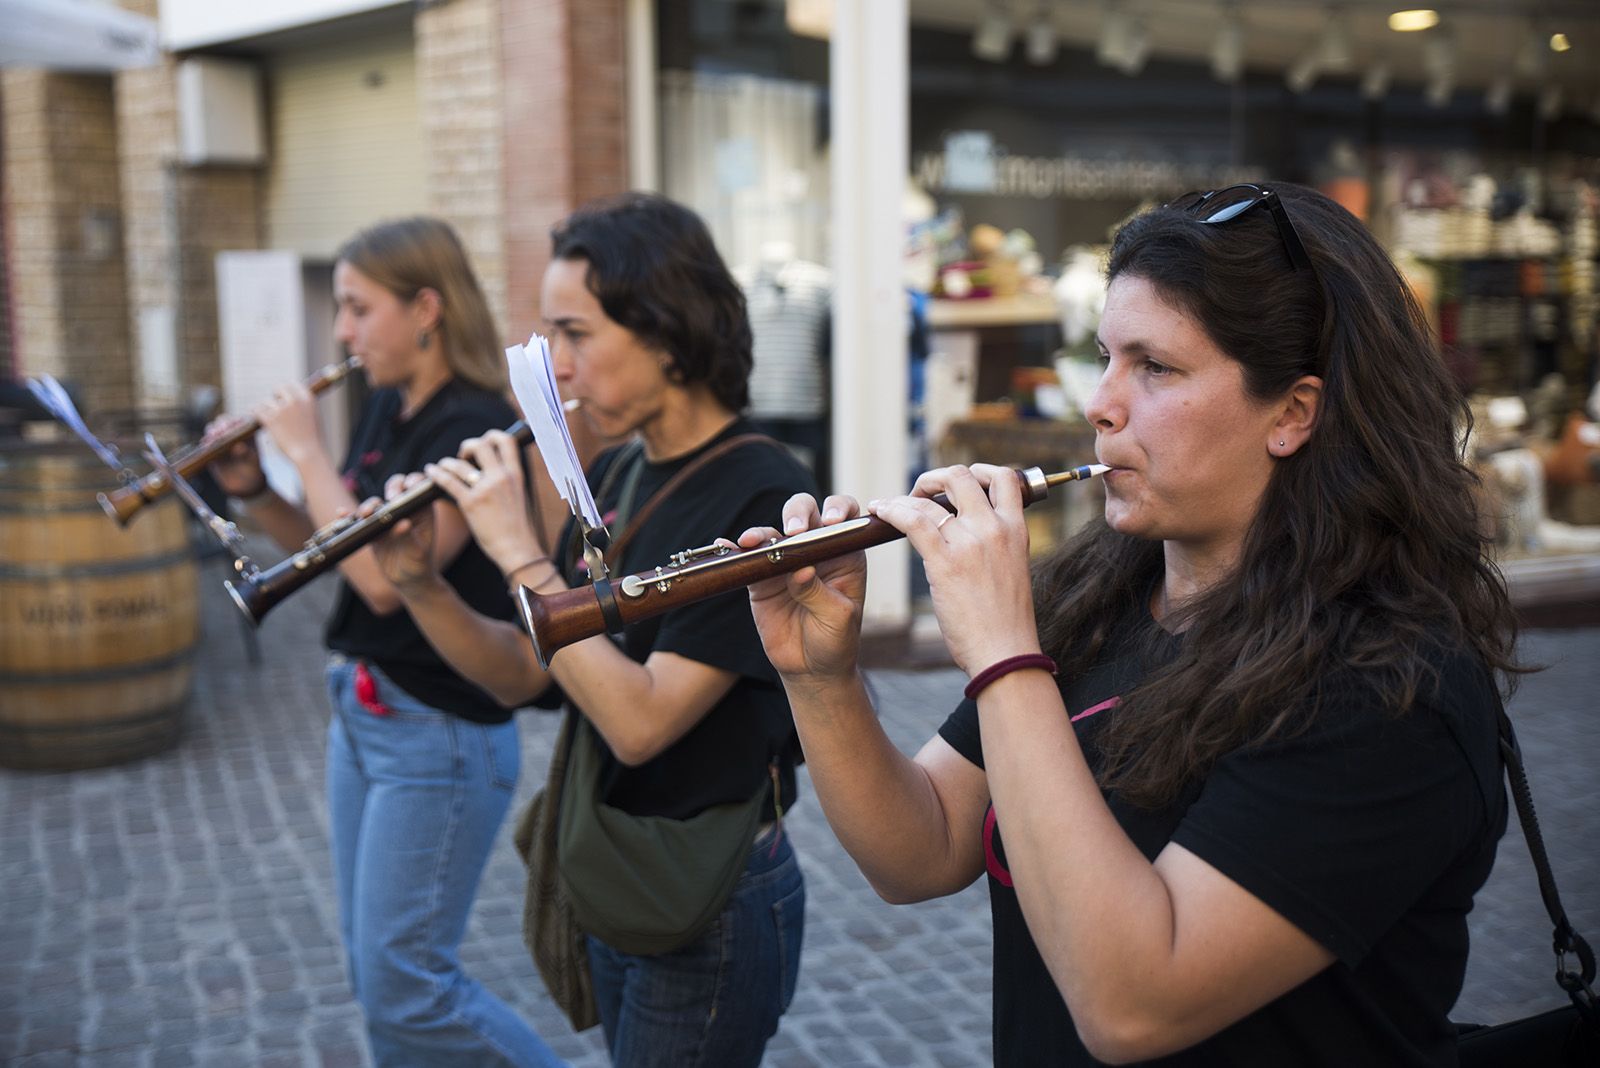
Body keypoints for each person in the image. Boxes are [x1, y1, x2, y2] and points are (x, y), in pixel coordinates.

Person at [742, 183, 1516, 1065]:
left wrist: (1002, 651)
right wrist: (819, 675)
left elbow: (1132, 1005)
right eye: (1107, 356)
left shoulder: (1389, 685)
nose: (1100, 403)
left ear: (1292, 414)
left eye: (1156, 368)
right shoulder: (1105, 596)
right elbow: (921, 850)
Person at [364, 193, 815, 1067]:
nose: (557, 366)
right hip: (615, 869)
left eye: (574, 334)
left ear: (668, 334)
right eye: (549, 337)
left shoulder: (763, 493)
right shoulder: (616, 470)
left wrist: (515, 552)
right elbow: (526, 673)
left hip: (706, 890)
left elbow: (640, 721)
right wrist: (419, 584)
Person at [203, 217, 562, 1067]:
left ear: (426, 309)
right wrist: (257, 491)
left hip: (439, 729)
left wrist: (303, 450)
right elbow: (335, 552)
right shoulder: (385, 407)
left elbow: (383, 583)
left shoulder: (475, 427)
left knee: (407, 984)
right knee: (375, 978)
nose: (343, 331)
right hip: (365, 710)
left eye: (358, 308)